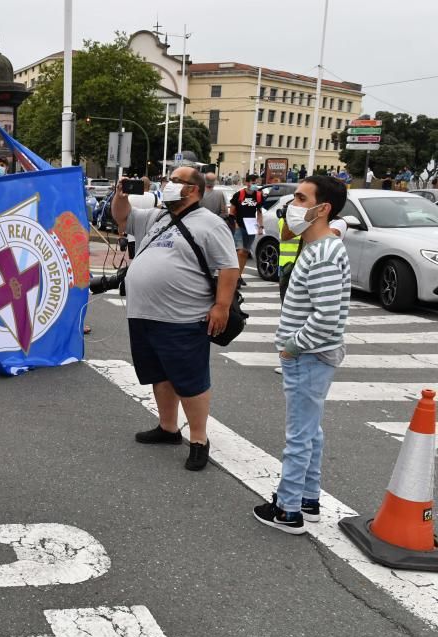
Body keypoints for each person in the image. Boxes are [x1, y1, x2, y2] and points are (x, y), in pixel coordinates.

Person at [108, 167, 239, 471]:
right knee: (159, 374)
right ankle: (168, 428)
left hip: (182, 317)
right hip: (144, 314)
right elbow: (122, 217)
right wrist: (120, 195)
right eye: (168, 180)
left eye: (175, 181)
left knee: (189, 379)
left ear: (192, 189)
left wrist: (221, 305)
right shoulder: (157, 217)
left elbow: (229, 267)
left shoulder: (210, 223)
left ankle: (198, 439)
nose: (168, 184)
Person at [253, 176, 351, 534]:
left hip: (308, 356)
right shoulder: (321, 246)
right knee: (311, 431)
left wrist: (292, 346)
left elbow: (325, 316)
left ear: (322, 209)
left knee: (299, 435)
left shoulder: (323, 252)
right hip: (313, 355)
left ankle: (288, 509)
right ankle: (308, 499)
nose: (291, 205)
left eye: (300, 197)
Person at [229, 174, 264, 285]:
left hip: (251, 226)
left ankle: (239, 275)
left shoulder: (258, 196)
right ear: (247, 183)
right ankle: (234, 277)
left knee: (245, 252)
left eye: (256, 183)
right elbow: (232, 212)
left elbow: (259, 213)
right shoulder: (239, 195)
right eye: (253, 183)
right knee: (239, 251)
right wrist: (235, 224)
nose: (255, 185)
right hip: (239, 226)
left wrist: (260, 226)